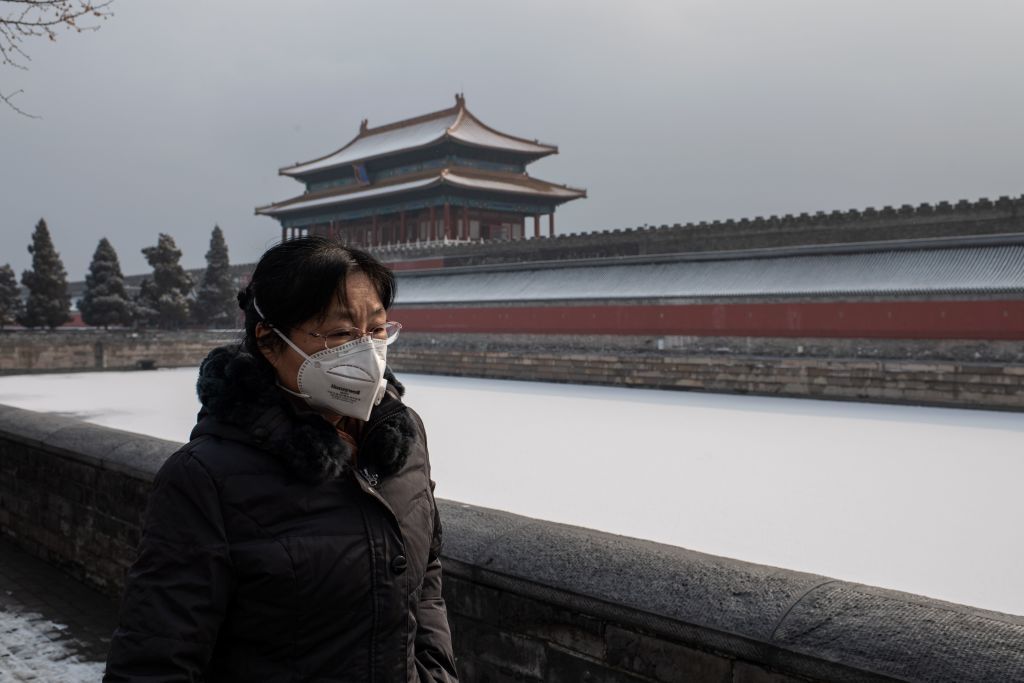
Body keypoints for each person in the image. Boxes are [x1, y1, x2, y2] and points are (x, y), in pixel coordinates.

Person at [104, 237, 458, 682]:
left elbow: (425, 578)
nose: (368, 352)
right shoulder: (206, 479)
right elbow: (154, 661)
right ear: (270, 342)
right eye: (342, 333)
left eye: (378, 329)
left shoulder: (401, 441)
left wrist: (435, 671)